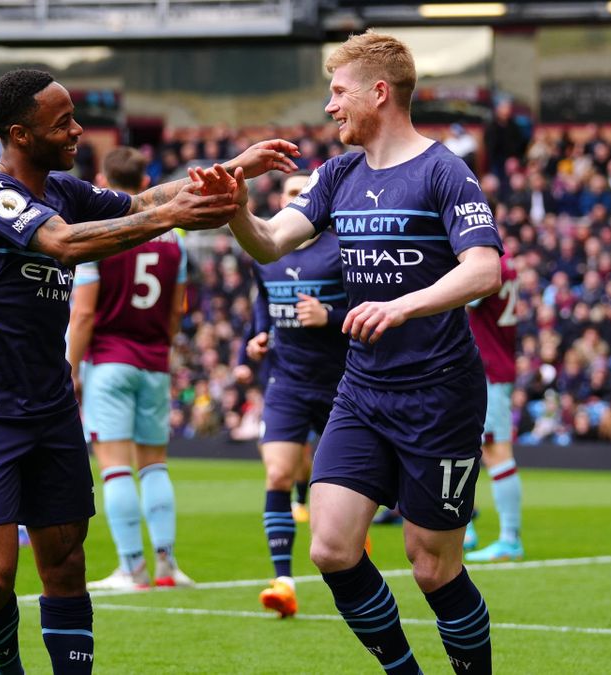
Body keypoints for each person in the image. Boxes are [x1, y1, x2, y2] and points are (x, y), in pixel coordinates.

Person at [0, 69, 296, 675]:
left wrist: (236, 168)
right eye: (63, 123)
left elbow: (143, 202)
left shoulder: (64, 189)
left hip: (51, 407)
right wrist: (172, 215)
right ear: (20, 135)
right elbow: (64, 244)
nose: (78, 130)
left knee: (66, 565)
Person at [198, 31, 502, 674]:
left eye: (339, 92)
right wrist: (235, 208)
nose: (330, 105)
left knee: (432, 565)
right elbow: (270, 242)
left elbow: (484, 270)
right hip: (362, 390)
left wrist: (402, 305)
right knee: (332, 549)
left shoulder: (444, 170)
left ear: (379, 92)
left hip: (439, 393)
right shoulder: (338, 174)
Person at [66, 146, 194, 591]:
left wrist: (71, 368)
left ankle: (132, 567)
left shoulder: (99, 232)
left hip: (109, 361)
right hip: (154, 362)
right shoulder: (173, 238)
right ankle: (167, 565)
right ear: (145, 181)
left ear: (102, 180)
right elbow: (176, 311)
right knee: (154, 465)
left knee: (115, 467)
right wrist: (161, 347)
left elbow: (84, 313)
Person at [243, 171, 349, 618]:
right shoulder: (265, 252)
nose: (295, 199)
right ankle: (283, 582)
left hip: (342, 383)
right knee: (278, 475)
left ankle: (352, 537)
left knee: (348, 484)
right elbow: (263, 305)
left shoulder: (342, 248)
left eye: (303, 192)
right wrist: (255, 339)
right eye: (289, 192)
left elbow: (372, 304)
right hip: (286, 381)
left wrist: (330, 315)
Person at [464, 253, 523, 563]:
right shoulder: (504, 259)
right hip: (487, 365)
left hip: (489, 369)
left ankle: (510, 539)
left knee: (495, 451)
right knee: (464, 446)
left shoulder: (486, 259)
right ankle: (464, 528)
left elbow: (461, 296)